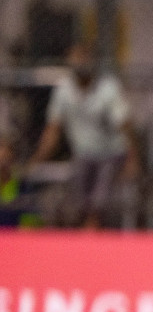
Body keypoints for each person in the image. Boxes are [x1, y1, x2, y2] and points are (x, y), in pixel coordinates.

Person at [27, 42, 139, 228]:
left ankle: (92, 234)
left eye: (85, 57)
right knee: (79, 200)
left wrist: (132, 156)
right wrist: (38, 158)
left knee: (99, 201)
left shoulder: (107, 88)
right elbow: (53, 129)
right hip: (83, 153)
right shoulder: (64, 90)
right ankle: (86, 233)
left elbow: (124, 125)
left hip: (110, 152)